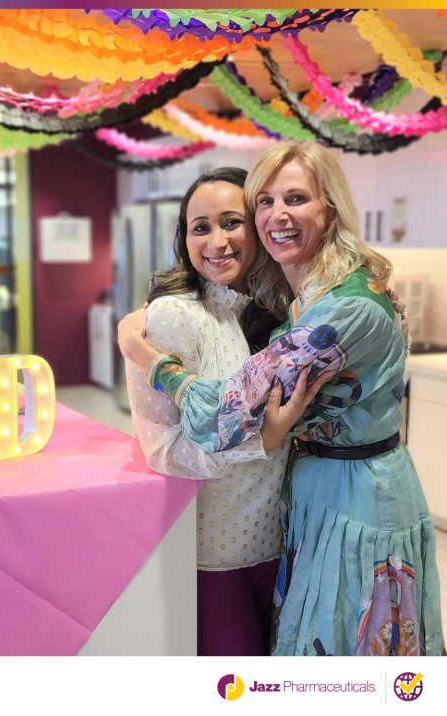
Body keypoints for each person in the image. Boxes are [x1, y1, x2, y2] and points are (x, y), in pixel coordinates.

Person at [119, 141, 445, 656]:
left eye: (295, 198)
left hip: (357, 496)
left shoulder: (340, 309)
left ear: (329, 207)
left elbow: (223, 415)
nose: (277, 214)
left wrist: (143, 353)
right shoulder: (294, 298)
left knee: (357, 655)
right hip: (307, 500)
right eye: (265, 201)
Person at [126, 166, 322, 656]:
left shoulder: (272, 309)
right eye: (200, 227)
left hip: (277, 544)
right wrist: (261, 438)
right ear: (184, 238)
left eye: (231, 222)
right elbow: (162, 449)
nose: (217, 241)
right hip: (214, 553)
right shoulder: (175, 315)